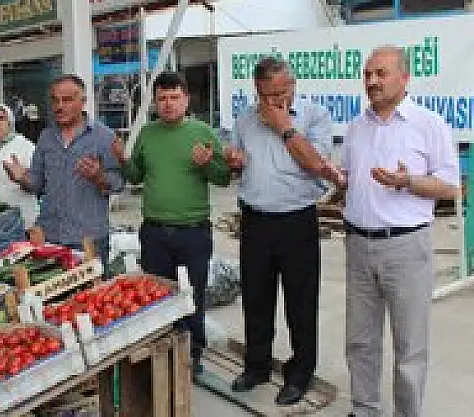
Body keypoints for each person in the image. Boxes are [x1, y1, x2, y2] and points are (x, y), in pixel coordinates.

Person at [341, 46, 459, 417]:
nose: (372, 81)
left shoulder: (428, 124)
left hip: (406, 248)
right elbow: (349, 178)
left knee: (409, 347)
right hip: (359, 245)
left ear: (404, 78)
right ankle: (364, 409)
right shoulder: (357, 127)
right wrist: (335, 177)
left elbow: (450, 186)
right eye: (368, 74)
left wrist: (408, 182)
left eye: (381, 73)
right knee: (360, 341)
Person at [224, 57, 343, 405]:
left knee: (300, 303)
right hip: (255, 221)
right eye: (265, 95)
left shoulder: (315, 116)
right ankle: (256, 366)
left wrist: (284, 126)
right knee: (256, 299)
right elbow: (238, 166)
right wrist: (234, 162)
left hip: (297, 222)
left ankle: (300, 373)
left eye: (279, 93)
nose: (273, 101)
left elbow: (315, 164)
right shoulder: (245, 119)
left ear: (292, 86)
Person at [112, 71, 231, 376]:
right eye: (162, 98)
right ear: (155, 102)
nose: (168, 104)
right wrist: (123, 160)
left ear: (186, 99)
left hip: (193, 232)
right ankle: (162, 353)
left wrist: (208, 164)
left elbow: (223, 177)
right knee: (157, 296)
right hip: (154, 232)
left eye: (174, 97)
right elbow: (136, 177)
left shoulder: (203, 132)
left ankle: (194, 353)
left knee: (193, 295)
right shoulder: (148, 134)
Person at [3, 74, 123, 271]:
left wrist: (99, 177)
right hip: (50, 237)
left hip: (88, 240)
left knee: (91, 290)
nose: (59, 106)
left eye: (67, 100)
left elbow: (119, 184)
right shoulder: (46, 137)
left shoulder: (104, 137)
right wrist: (21, 178)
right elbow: (37, 183)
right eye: (55, 100)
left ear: (83, 102)